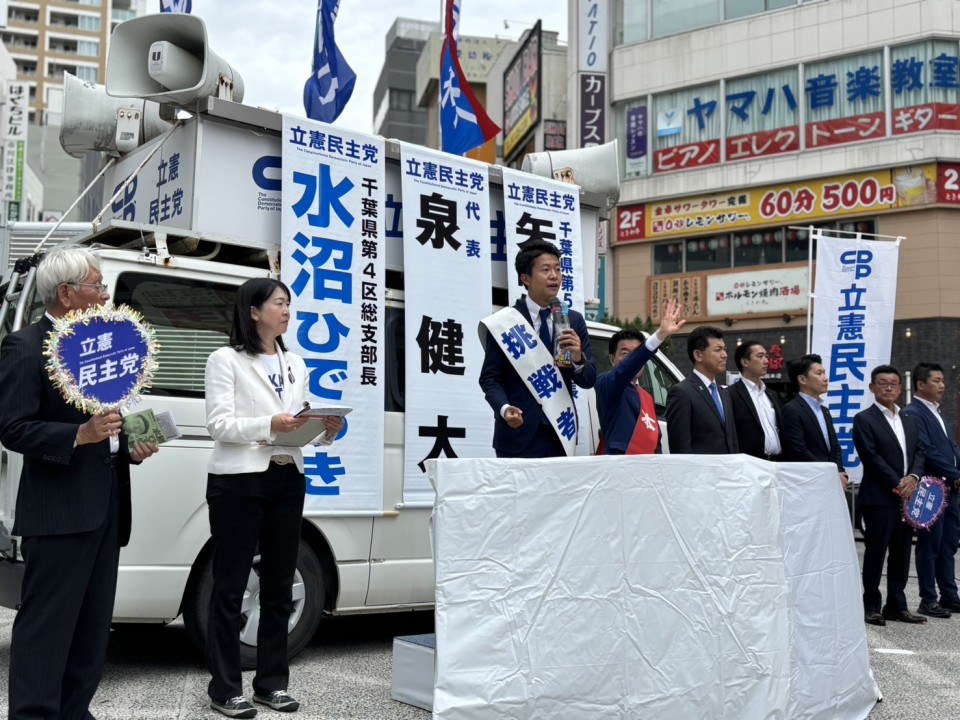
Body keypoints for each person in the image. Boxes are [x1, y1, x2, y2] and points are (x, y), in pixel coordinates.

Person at [0, 247, 159, 720]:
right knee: (46, 626)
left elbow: (112, 416)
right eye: (99, 285)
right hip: (58, 509)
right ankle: (33, 714)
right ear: (68, 293)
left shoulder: (106, 344)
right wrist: (78, 435)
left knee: (92, 626)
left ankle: (74, 710)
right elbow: (11, 427)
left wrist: (133, 440)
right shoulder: (25, 346)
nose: (107, 295)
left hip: (106, 502)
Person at [204, 278, 343, 718]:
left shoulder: (295, 361)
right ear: (253, 311)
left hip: (286, 478)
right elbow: (219, 425)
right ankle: (225, 688)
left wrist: (323, 431)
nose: (286, 311)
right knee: (229, 586)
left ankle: (271, 684)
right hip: (239, 481)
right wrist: (270, 424)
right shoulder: (225, 359)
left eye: (288, 304)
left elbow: (297, 424)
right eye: (279, 304)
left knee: (280, 584)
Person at [479, 239, 596, 458]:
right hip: (517, 435)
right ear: (526, 279)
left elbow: (588, 380)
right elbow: (490, 379)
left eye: (558, 269)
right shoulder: (505, 322)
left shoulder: (572, 320)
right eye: (546, 270)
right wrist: (505, 409)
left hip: (560, 434)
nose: (554, 276)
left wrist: (578, 358)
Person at [854, 365, 926, 627]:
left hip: (906, 497)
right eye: (882, 383)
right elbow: (871, 457)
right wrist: (898, 482)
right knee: (876, 552)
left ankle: (896, 605)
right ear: (872, 388)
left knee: (902, 552)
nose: (888, 387)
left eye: (893, 383)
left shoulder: (909, 419)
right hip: (879, 497)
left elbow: (919, 451)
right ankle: (871, 605)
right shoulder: (864, 419)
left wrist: (914, 478)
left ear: (900, 388)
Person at [901, 362, 960, 619]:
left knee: (948, 545)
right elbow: (927, 451)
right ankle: (928, 598)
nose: (942, 385)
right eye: (936, 381)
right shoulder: (914, 413)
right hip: (932, 490)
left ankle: (949, 594)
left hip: (951, 489)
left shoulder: (938, 412)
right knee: (930, 545)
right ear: (920, 385)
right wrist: (956, 473)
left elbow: (952, 447)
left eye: (942, 380)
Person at [595, 298, 685, 455]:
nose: (632, 359)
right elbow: (625, 370)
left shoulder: (647, 397)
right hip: (620, 468)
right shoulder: (606, 383)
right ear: (612, 360)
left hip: (647, 472)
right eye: (625, 353)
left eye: (636, 353)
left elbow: (655, 440)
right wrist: (659, 335)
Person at [664, 326, 739, 454]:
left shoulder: (724, 393)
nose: (725, 355)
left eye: (725, 349)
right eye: (718, 350)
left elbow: (732, 440)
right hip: (700, 472)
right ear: (698, 355)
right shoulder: (682, 393)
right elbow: (680, 447)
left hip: (729, 471)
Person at [779, 354, 849, 489]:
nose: (825, 378)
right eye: (819, 373)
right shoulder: (792, 409)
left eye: (824, 372)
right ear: (802, 379)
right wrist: (827, 472)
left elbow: (834, 446)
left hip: (830, 479)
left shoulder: (824, 411)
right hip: (808, 481)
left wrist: (839, 471)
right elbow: (799, 450)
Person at [729, 341, 783, 461]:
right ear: (744, 362)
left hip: (777, 462)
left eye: (766, 356)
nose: (766, 361)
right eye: (760, 356)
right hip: (750, 464)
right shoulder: (731, 394)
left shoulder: (771, 394)